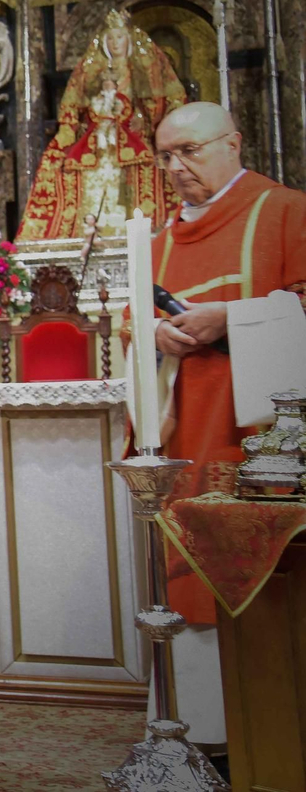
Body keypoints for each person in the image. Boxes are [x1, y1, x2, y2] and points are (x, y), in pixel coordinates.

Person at [132, 101, 306, 751]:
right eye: (165, 156)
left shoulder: (285, 211)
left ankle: (272, 740)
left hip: (265, 445)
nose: (175, 168)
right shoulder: (159, 240)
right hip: (182, 437)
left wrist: (229, 319)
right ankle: (197, 736)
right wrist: (153, 334)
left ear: (233, 142)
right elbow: (131, 329)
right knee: (185, 584)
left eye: (190, 152)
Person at [18, 8, 184, 239]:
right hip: (98, 142)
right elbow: (75, 102)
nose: (115, 44)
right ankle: (92, 229)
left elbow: (160, 102)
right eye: (111, 38)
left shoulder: (145, 70)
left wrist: (145, 120)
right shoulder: (92, 70)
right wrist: (70, 127)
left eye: (119, 38)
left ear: (128, 41)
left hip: (134, 139)